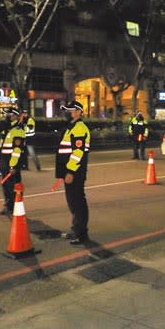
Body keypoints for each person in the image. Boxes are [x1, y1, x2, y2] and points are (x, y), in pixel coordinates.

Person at [55, 101, 91, 244]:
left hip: (75, 172)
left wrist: (70, 171)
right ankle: (76, 229)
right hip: (70, 171)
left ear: (78, 112)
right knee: (73, 203)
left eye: (70, 110)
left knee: (77, 202)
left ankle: (80, 233)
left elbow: (78, 153)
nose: (68, 113)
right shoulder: (72, 127)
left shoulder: (80, 128)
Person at [0, 107, 26, 217]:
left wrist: (13, 166)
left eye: (9, 115)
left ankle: (16, 207)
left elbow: (17, 150)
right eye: (6, 115)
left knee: (14, 185)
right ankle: (8, 205)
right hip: (4, 160)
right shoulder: (7, 129)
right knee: (5, 184)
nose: (7, 117)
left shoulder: (18, 130)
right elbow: (2, 147)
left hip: (12, 161)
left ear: (15, 116)